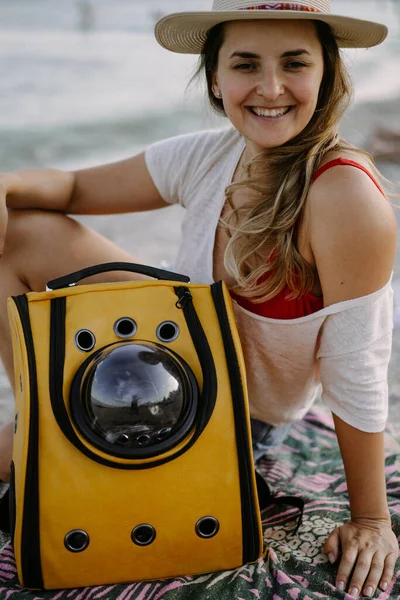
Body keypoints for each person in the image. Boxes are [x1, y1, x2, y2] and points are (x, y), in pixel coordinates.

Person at [0, 0, 398, 597]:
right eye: (245, 64)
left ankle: (39, 443)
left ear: (327, 73)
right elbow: (75, 185)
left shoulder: (342, 195)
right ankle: (37, 420)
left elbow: (357, 366)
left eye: (295, 63)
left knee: (16, 472)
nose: (270, 87)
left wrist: (371, 519)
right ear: (215, 77)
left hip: (230, 416)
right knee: (24, 229)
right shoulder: (214, 154)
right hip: (173, 359)